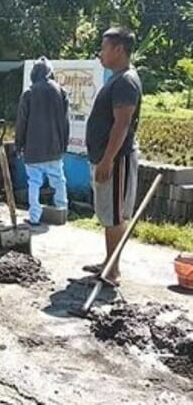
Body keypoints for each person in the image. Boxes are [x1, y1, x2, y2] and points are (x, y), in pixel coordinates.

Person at [83, 27, 142, 287]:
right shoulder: (117, 79)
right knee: (109, 214)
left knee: (115, 216)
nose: (100, 52)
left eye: (104, 47)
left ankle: (113, 271)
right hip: (107, 157)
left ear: (118, 49)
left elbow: (122, 124)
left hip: (116, 160)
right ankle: (109, 261)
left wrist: (107, 159)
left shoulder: (126, 81)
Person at [15, 57, 70, 226]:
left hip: (33, 149)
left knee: (34, 183)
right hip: (54, 147)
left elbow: (22, 122)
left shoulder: (29, 93)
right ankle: (62, 212)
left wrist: (19, 144)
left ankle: (34, 217)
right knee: (59, 180)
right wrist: (64, 144)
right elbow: (65, 121)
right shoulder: (61, 91)